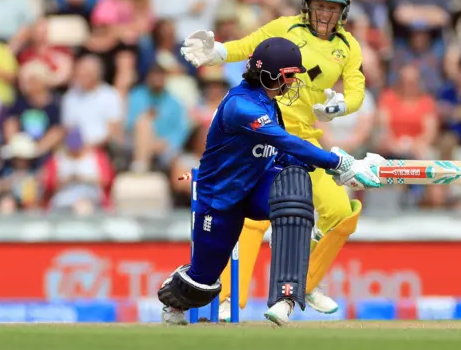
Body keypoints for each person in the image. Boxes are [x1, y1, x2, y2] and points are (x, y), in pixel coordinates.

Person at [158, 37, 382, 327]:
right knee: (203, 283)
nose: (293, 83)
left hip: (255, 187)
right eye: (289, 76)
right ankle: (173, 299)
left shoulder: (268, 101)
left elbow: (281, 154)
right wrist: (338, 161)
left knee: (295, 189)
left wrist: (336, 169)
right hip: (221, 198)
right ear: (268, 74)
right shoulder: (241, 106)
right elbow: (285, 141)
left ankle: (285, 296)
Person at [180, 0, 365, 319]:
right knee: (253, 218)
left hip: (303, 140)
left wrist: (342, 105)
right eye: (320, 7)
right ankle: (227, 301)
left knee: (342, 213)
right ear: (308, 6)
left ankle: (307, 284)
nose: (325, 15)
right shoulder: (285, 27)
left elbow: (356, 88)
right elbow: (249, 46)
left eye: (332, 9)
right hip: (264, 135)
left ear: (343, 12)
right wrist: (218, 52)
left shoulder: (348, 46)